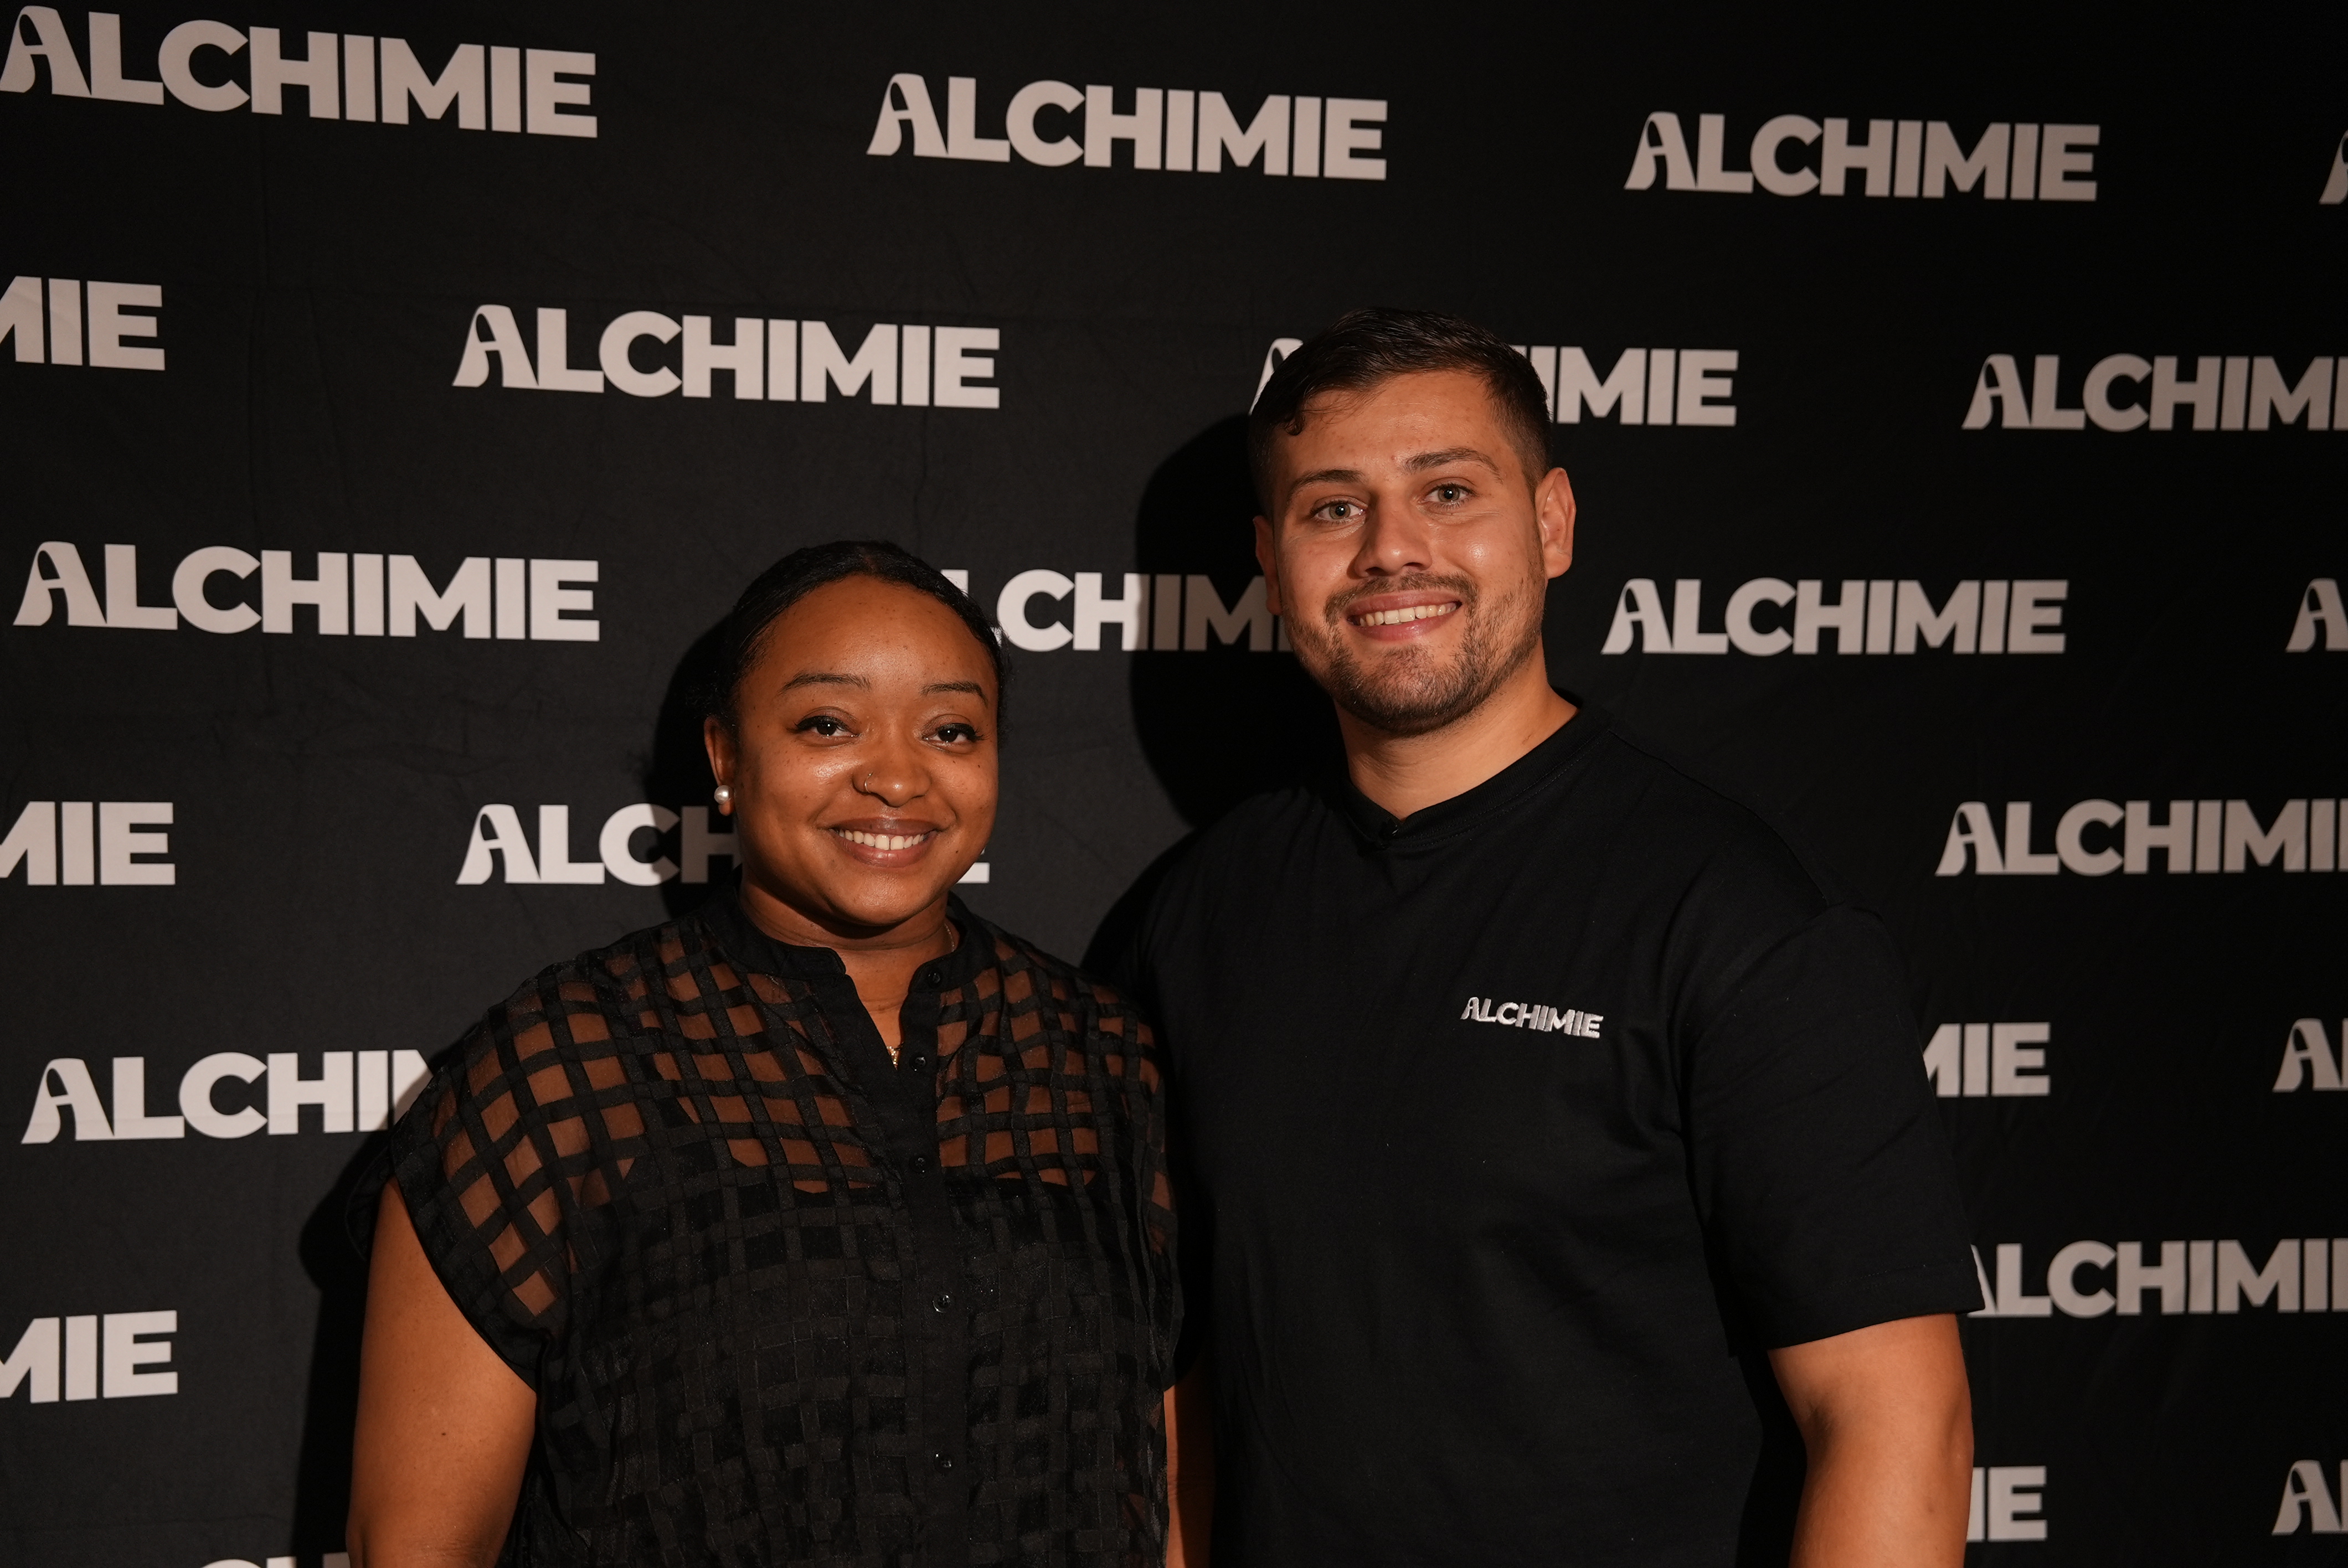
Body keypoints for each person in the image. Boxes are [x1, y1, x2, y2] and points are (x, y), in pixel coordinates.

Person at [1105, 310, 1982, 1566]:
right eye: (1333, 509)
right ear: (1270, 558)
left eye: (1447, 491)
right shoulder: (1193, 915)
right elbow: (1176, 1389)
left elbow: (1894, 1423)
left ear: (1552, 522)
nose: (1390, 550)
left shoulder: (1733, 914)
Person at [348, 541, 1185, 1568]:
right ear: (725, 757)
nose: (896, 776)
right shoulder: (564, 1063)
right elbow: (415, 1545)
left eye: (951, 730)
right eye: (828, 724)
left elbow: (1169, 1492)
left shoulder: (1106, 1057)